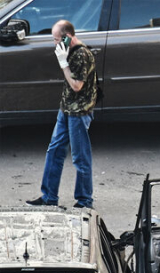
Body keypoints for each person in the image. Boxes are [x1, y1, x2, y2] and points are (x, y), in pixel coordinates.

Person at [27, 20, 97, 209]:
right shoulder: (71, 51)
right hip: (66, 109)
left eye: (56, 39)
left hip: (79, 112)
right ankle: (49, 197)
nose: (54, 43)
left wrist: (63, 63)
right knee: (54, 151)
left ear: (67, 37)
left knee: (80, 157)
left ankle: (84, 201)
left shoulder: (81, 54)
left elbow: (77, 85)